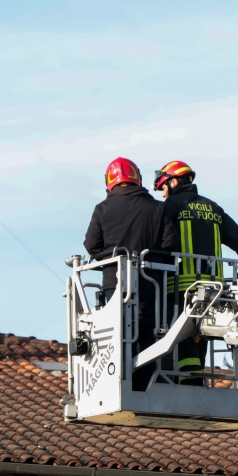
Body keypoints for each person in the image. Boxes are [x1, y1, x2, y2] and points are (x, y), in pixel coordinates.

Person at [155, 160, 238, 384]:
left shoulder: (169, 208)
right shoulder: (213, 208)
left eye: (164, 187)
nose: (163, 194)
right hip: (214, 292)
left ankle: (188, 386)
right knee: (200, 336)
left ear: (174, 181)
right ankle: (193, 382)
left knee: (180, 338)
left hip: (180, 288)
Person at [82, 157, 165, 389]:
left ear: (110, 182)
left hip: (114, 282)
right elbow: (170, 245)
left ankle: (119, 381)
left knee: (118, 332)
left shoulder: (102, 209)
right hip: (151, 283)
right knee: (149, 333)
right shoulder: (158, 208)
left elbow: (91, 245)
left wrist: (111, 259)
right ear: (137, 178)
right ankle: (145, 385)